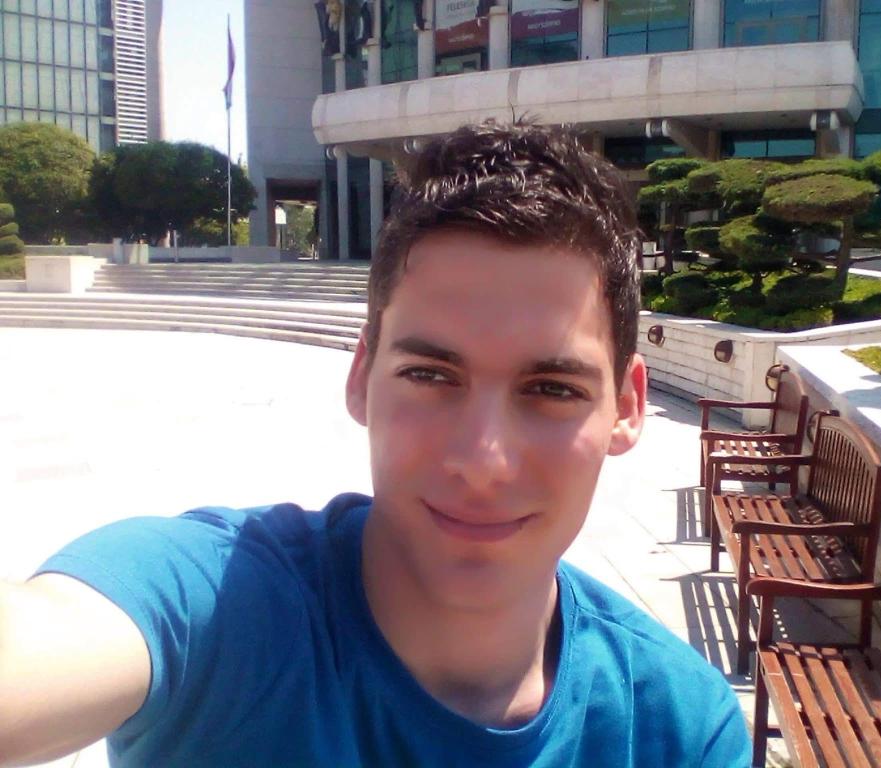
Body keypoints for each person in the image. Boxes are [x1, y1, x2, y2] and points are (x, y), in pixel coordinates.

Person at [0, 121, 751, 767]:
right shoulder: (215, 609)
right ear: (361, 376)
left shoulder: (679, 729)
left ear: (627, 406)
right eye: (430, 375)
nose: (482, 460)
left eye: (552, 389)